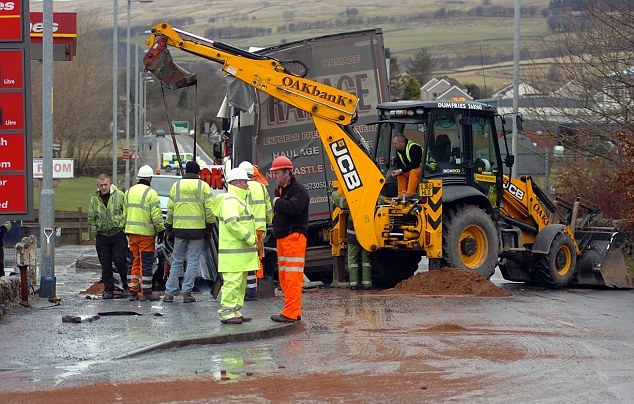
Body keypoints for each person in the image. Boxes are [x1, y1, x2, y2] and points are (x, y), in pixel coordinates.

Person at [163, 161, 216, 303]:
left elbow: (170, 210)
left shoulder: (177, 186)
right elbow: (210, 211)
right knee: (192, 261)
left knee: (176, 260)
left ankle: (169, 293)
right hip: (197, 231)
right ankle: (186, 293)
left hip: (179, 229)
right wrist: (209, 228)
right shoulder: (203, 186)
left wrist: (169, 228)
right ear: (198, 172)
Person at [213, 167, 259, 324]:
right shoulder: (231, 201)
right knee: (233, 283)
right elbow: (233, 223)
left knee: (239, 284)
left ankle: (235, 310)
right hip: (234, 253)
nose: (247, 185)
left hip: (240, 253)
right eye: (245, 182)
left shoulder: (237, 200)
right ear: (238, 183)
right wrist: (250, 238)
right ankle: (227, 312)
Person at [269, 156, 309, 323]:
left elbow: (294, 208)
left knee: (292, 278)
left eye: (277, 173)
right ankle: (294, 310)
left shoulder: (298, 190)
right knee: (285, 277)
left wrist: (278, 203)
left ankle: (291, 313)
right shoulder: (281, 190)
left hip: (294, 238)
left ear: (287, 172)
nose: (275, 176)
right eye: (274, 173)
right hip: (284, 238)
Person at [124, 165, 165, 301]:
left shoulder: (129, 192)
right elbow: (157, 216)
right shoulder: (151, 193)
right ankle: (146, 291)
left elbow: (124, 213)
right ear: (150, 178)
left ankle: (132, 290)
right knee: (146, 263)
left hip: (131, 233)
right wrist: (160, 230)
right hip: (146, 234)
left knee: (134, 261)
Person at [88, 174, 129, 299]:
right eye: (101, 185)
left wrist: (121, 224)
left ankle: (126, 286)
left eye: (105, 185)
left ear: (109, 184)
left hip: (117, 234)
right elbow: (91, 217)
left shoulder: (120, 196)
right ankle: (109, 289)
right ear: (98, 186)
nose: (104, 187)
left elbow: (126, 212)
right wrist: (96, 231)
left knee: (120, 260)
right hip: (102, 236)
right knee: (105, 264)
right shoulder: (94, 199)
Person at [238, 161, 273, 300]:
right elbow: (268, 208)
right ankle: (257, 287)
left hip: (247, 229)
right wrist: (268, 223)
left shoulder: (240, 187)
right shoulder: (261, 187)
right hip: (260, 230)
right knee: (258, 257)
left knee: (247, 259)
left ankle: (251, 289)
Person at [331, 188, 372, 290]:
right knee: (366, 258)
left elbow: (342, 203)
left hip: (353, 230)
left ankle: (353, 284)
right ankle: (367, 283)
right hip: (366, 228)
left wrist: (335, 194)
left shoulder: (354, 195)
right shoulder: (369, 193)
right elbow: (380, 200)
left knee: (353, 257)